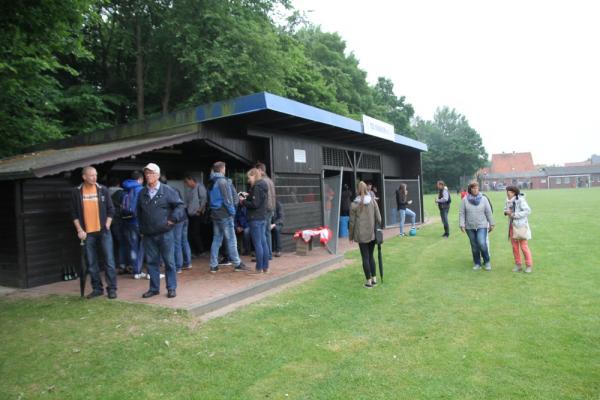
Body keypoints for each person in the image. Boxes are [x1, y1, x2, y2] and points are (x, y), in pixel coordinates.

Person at [136, 163, 185, 298]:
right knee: (151, 263)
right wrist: (141, 229)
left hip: (165, 233)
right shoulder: (142, 193)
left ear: (157, 175)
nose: (148, 176)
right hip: (148, 234)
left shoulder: (168, 190)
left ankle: (171, 288)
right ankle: (154, 288)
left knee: (169, 262)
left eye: (151, 173)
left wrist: (172, 219)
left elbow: (180, 206)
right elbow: (139, 212)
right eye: (146, 173)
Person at [70, 166, 117, 299]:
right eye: (91, 175)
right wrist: (79, 230)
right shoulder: (76, 192)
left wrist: (107, 225)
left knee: (109, 261)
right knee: (91, 263)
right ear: (84, 177)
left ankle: (112, 289)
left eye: (95, 175)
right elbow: (73, 213)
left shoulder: (103, 190)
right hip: (87, 233)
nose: (94, 177)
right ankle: (97, 289)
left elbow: (111, 209)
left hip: (103, 231)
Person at [208, 161, 247, 273]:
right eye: (224, 168)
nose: (225, 169)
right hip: (225, 214)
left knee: (216, 239)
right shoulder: (222, 181)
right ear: (222, 169)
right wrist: (232, 212)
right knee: (231, 239)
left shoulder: (211, 181)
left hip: (215, 214)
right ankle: (237, 264)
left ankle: (213, 265)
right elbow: (227, 199)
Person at [349, 181, 382, 288]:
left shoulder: (354, 204)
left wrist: (350, 236)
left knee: (365, 257)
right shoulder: (373, 201)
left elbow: (352, 222)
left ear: (357, 190)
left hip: (361, 234)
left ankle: (368, 282)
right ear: (367, 189)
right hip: (372, 234)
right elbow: (379, 218)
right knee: (371, 256)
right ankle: (374, 280)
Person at [459, 182, 495, 271]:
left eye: (477, 188)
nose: (475, 190)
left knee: (482, 243)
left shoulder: (484, 199)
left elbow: (488, 212)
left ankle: (487, 262)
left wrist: (492, 223)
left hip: (482, 225)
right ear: (470, 189)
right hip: (469, 226)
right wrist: (462, 224)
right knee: (474, 245)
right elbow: (462, 213)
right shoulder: (465, 200)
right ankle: (477, 263)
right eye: (473, 188)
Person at [242, 168, 270, 273]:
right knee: (263, 243)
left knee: (258, 243)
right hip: (262, 217)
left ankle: (259, 268)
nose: (248, 180)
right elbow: (258, 201)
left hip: (255, 219)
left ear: (254, 175)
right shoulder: (263, 185)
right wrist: (248, 197)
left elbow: (255, 204)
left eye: (249, 177)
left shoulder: (257, 187)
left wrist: (243, 202)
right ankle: (265, 267)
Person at [504, 186, 533, 273]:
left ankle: (528, 266)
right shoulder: (507, 200)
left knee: (524, 247)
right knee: (515, 247)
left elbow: (528, 211)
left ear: (514, 193)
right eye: (507, 191)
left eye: (510, 191)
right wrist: (506, 212)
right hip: (512, 227)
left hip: (521, 227)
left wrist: (514, 214)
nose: (508, 193)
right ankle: (518, 265)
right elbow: (506, 209)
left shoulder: (521, 200)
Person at [183, 173, 207, 257]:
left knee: (196, 233)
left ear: (191, 180)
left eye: (187, 182)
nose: (186, 184)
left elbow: (204, 199)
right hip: (190, 214)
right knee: (191, 233)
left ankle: (201, 251)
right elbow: (188, 202)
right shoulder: (190, 190)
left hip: (197, 214)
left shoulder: (200, 187)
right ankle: (195, 251)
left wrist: (199, 210)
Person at [256, 162, 276, 260]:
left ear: (260, 170)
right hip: (271, 209)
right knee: (267, 232)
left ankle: (265, 255)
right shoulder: (270, 180)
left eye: (256, 170)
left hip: (265, 210)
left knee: (263, 233)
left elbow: (264, 198)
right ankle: (269, 255)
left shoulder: (262, 181)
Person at [108, 177, 128, 273]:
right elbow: (126, 207)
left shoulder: (105, 193)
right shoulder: (121, 193)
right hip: (120, 221)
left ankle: (117, 264)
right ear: (118, 184)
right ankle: (123, 265)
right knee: (123, 243)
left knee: (113, 244)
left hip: (109, 222)